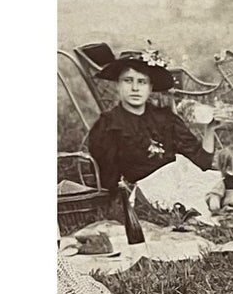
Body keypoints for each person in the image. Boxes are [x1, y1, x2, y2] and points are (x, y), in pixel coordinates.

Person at [84, 50, 220, 227]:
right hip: (145, 192)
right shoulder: (110, 125)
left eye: (142, 82)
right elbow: (107, 179)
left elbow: (201, 163)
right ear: (118, 84)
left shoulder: (165, 118)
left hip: (179, 182)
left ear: (150, 87)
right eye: (128, 81)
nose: (135, 88)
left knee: (225, 184)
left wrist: (210, 131)